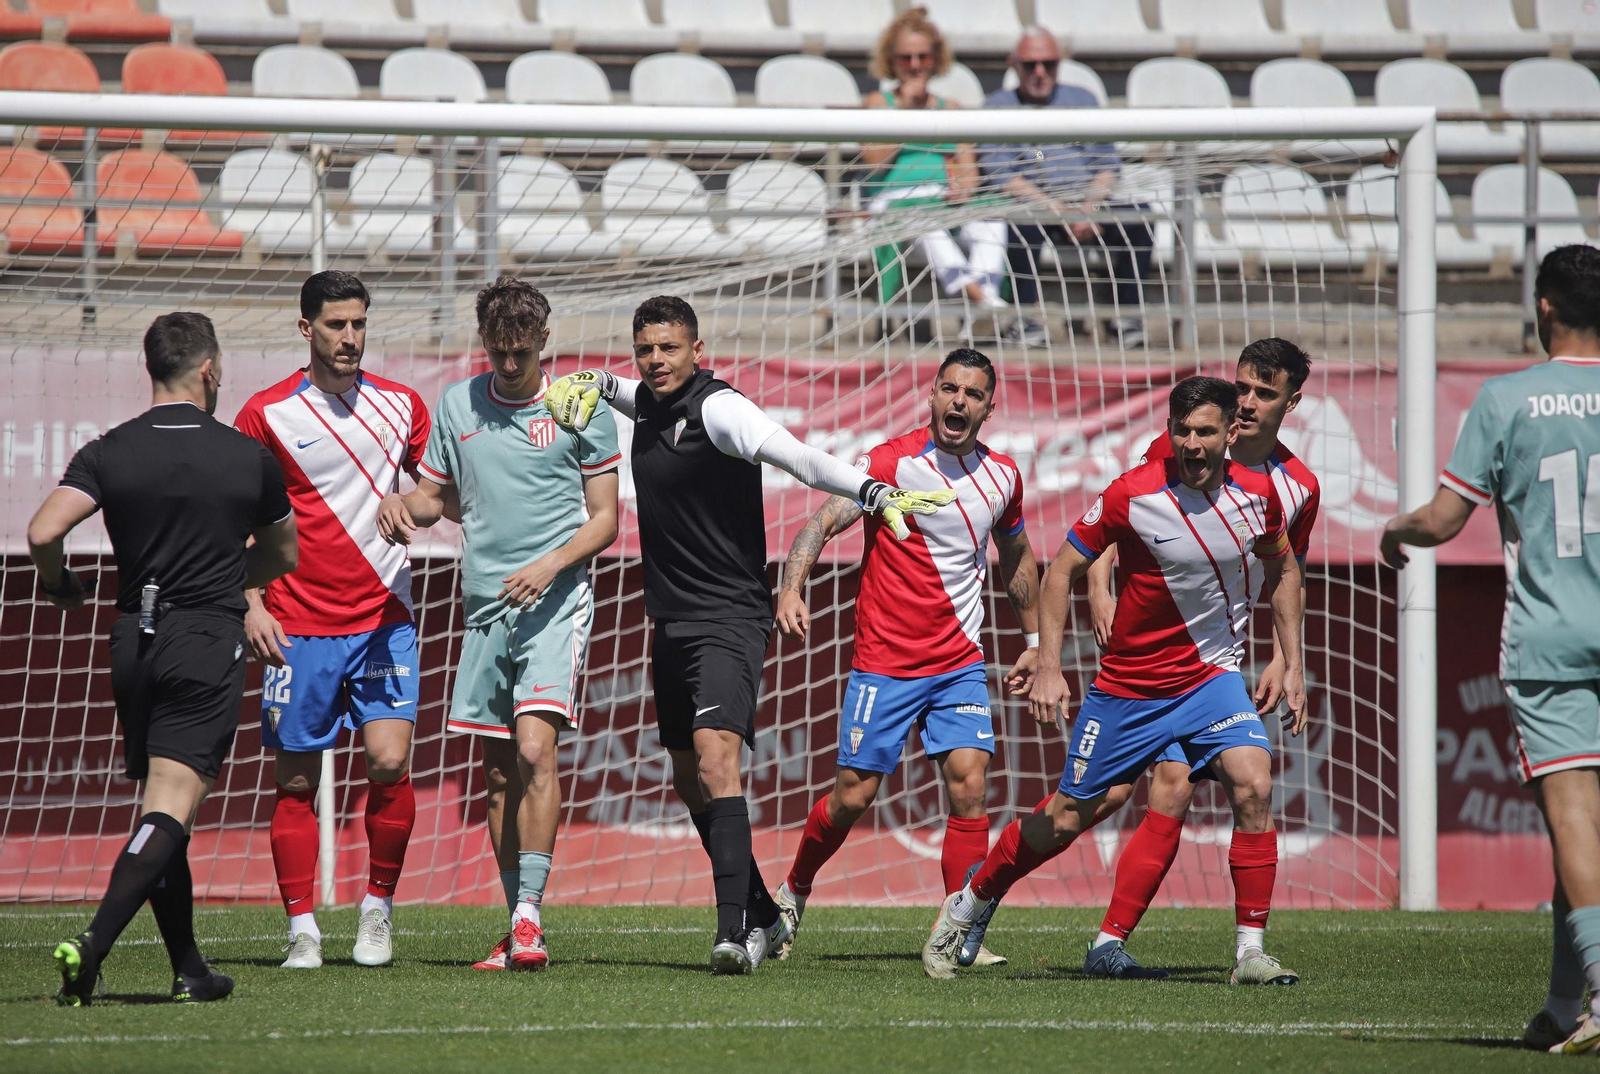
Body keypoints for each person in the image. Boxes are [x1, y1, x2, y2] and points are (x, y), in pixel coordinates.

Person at [543, 295, 957, 973]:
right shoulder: (646, 397)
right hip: (670, 619)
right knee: (686, 776)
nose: (656, 360)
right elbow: (617, 389)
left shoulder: (719, 408)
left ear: (697, 351)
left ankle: (736, 934)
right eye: (645, 349)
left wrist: (873, 491)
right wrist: (589, 379)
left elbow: (800, 459)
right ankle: (764, 908)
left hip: (730, 616)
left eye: (669, 348)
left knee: (714, 761)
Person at [922, 376, 1309, 985]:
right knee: (1070, 818)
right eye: (1181, 430)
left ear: (1229, 432)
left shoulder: (1262, 497)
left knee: (1254, 783)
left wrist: (1294, 661)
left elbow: (1283, 567)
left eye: (1205, 430)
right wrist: (1048, 663)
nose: (1191, 442)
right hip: (1129, 690)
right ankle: (971, 900)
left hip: (1211, 681)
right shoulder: (1132, 493)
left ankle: (1250, 954)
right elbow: (1060, 573)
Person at [32, 312, 297, 1006]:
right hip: (205, 637)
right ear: (209, 370)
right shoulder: (246, 456)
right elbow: (284, 554)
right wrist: (237, 578)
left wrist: (59, 584)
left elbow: (42, 531)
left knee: (161, 805)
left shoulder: (109, 449)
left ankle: (188, 969)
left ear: (152, 368)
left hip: (134, 643)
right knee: (171, 809)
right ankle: (91, 946)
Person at [1033, 339, 1319, 979]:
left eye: (1263, 393)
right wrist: (1101, 588)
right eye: (1241, 387)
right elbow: (1124, 517)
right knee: (1092, 806)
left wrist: (1286, 660)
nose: (1246, 403)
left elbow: (1285, 571)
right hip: (1139, 664)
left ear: (1291, 403)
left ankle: (1236, 950)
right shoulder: (1173, 452)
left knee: (1234, 779)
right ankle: (996, 901)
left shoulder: (1295, 488)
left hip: (1215, 668)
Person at [1380, 244, 1600, 1055]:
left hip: (1549, 638)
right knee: (1580, 830)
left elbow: (1442, 521)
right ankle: (1560, 1002)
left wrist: (1392, 529)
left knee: (1573, 813)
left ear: (1543, 308)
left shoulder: (1506, 398)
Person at [377, 277, 620, 973]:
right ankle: (517, 921)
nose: (508, 366)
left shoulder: (580, 408)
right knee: (496, 777)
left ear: (544, 341)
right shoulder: (458, 404)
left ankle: (530, 917)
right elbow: (437, 499)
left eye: (519, 352)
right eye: (497, 352)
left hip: (555, 601)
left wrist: (549, 566)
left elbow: (605, 519)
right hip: (482, 606)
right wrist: (405, 507)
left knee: (536, 751)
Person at [772, 348, 1040, 969]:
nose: (958, 402)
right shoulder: (891, 463)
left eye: (972, 394)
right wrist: (791, 586)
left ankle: (959, 928)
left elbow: (1018, 557)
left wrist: (1033, 644)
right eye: (949, 389)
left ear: (989, 407)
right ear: (932, 394)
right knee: (852, 796)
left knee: (970, 786)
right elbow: (819, 523)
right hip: (885, 664)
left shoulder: (1003, 477)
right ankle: (793, 892)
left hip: (959, 662)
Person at [233, 271, 431, 971]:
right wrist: (250, 603)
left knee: (388, 760)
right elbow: (232, 521)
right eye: (336, 325)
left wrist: (417, 505)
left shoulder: (402, 406)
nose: (350, 337)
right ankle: (302, 928)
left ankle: (376, 909)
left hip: (383, 616)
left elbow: (442, 490)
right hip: (295, 622)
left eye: (358, 324)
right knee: (293, 781)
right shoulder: (266, 414)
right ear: (306, 329)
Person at [981, 27, 1154, 349]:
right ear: (1013, 65)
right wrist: (1057, 210)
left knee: (1141, 217)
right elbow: (1001, 174)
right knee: (1017, 225)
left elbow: (1106, 165)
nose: (1040, 72)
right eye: (1031, 65)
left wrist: (1088, 207)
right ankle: (1026, 318)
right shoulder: (998, 106)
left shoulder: (1082, 100)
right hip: (1035, 208)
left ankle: (1127, 314)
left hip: (1088, 204)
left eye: (1049, 64)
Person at [864, 7, 1008, 331]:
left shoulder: (950, 108)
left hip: (943, 201)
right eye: (906, 58)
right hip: (895, 205)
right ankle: (980, 297)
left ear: (935, 58)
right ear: (892, 60)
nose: (915, 65)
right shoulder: (879, 102)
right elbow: (875, 162)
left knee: (991, 222)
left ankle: (980, 310)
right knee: (925, 223)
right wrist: (905, 113)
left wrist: (964, 189)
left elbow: (969, 170)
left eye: (922, 57)